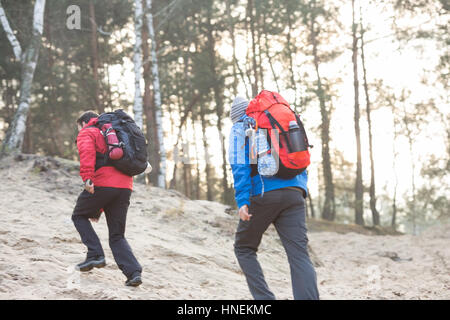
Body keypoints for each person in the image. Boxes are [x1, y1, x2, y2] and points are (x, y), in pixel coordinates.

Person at [228, 97, 319, 300]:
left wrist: (242, 201)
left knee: (244, 248)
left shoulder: (241, 126)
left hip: (263, 193)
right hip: (295, 192)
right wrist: (300, 188)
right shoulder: (279, 121)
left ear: (235, 117)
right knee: (299, 254)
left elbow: (239, 165)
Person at [72, 111, 142, 287]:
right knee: (117, 235)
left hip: (103, 182)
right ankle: (133, 273)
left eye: (78, 126)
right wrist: (98, 209)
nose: (78, 130)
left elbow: (87, 153)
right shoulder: (116, 132)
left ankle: (95, 254)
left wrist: (87, 178)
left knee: (78, 215)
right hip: (125, 186)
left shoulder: (88, 131)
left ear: (84, 122)